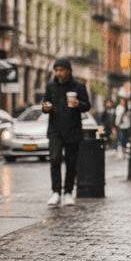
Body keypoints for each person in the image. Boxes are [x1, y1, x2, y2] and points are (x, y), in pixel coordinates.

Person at [42, 58, 91, 207]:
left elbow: (87, 105)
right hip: (55, 130)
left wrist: (78, 104)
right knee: (55, 159)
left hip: (73, 129)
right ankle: (56, 192)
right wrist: (45, 107)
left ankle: (68, 192)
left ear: (68, 71)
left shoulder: (79, 86)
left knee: (71, 162)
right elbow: (44, 105)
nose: (58, 73)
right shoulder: (51, 86)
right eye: (56, 70)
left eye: (61, 70)